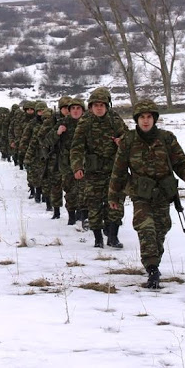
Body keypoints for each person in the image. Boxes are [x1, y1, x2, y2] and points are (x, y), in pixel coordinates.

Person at [109, 99, 185, 289]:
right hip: (141, 194)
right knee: (145, 229)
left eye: (149, 117)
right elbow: (119, 170)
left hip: (163, 194)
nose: (146, 121)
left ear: (155, 119)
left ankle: (154, 261)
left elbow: (180, 161)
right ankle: (152, 269)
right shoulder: (128, 140)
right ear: (136, 120)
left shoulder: (167, 138)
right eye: (142, 117)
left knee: (161, 230)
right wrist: (114, 196)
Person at [70, 87, 128, 249]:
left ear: (107, 105)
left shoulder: (115, 120)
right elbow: (76, 148)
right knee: (94, 205)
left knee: (115, 202)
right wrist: (77, 167)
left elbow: (129, 139)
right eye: (96, 105)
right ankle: (98, 239)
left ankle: (113, 236)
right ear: (91, 106)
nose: (99, 108)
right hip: (93, 171)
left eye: (102, 104)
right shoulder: (85, 122)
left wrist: (121, 141)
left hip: (114, 170)